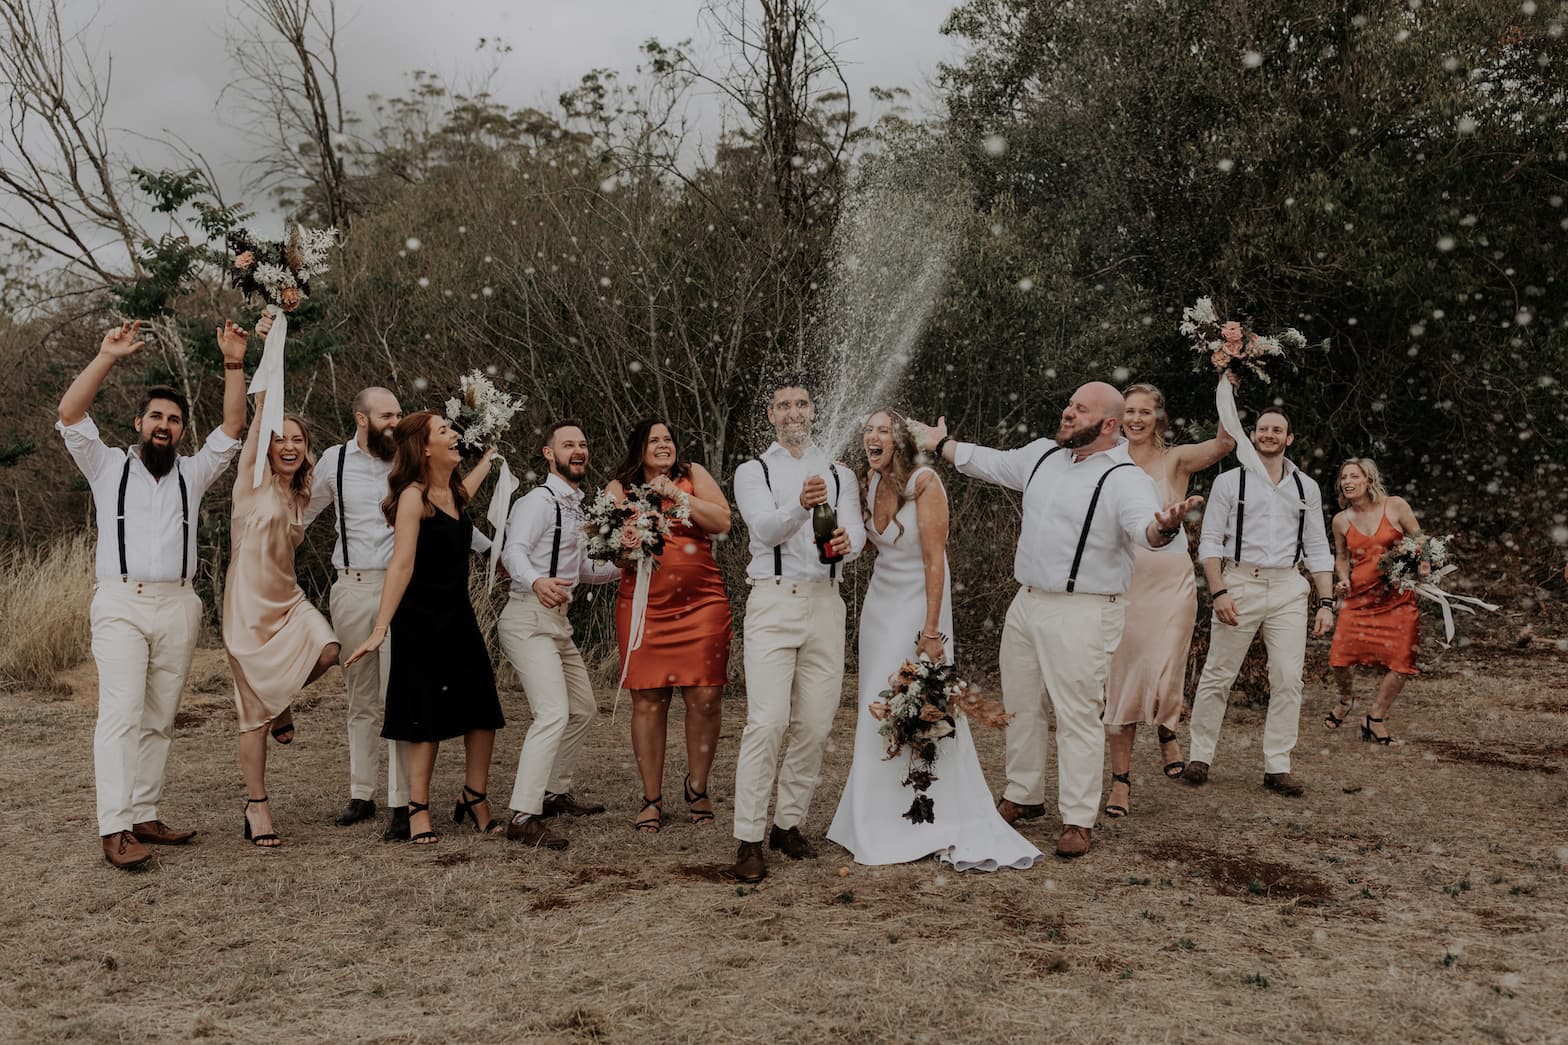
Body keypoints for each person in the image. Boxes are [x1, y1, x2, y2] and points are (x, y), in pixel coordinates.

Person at [910, 382, 1200, 859]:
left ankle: (1077, 818)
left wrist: (1165, 526)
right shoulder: (1042, 455)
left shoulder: (1125, 478)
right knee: (1020, 704)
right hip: (1026, 603)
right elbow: (989, 461)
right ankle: (1024, 795)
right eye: (1069, 405)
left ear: (1108, 425)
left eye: (1080, 410)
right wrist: (940, 444)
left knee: (1077, 715)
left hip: (1085, 610)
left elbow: (1145, 529)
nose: (1067, 413)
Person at [56, 318, 248, 869]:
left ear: (181, 431)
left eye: (174, 420)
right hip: (120, 602)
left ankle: (143, 813)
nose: (164, 426)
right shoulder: (106, 465)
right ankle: (113, 828)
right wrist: (106, 356)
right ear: (139, 423)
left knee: (160, 715)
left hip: (179, 604)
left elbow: (233, 426)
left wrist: (233, 360)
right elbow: (70, 415)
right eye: (156, 417)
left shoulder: (193, 473)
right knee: (120, 712)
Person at [826, 409, 1041, 870]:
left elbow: (934, 563)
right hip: (879, 609)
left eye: (882, 430)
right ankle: (872, 814)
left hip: (918, 608)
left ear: (901, 440)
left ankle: (924, 811)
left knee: (919, 706)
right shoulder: (868, 483)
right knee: (876, 702)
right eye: (868, 431)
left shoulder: (924, 483)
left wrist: (930, 631)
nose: (872, 437)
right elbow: (863, 542)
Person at [726, 377, 865, 882]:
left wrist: (848, 540)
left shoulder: (839, 472)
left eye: (802, 403)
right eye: (783, 404)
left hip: (827, 605)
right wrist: (800, 507)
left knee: (815, 724)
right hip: (773, 601)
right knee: (766, 723)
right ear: (771, 416)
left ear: (814, 412)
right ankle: (747, 838)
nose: (793, 412)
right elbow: (764, 528)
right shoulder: (752, 470)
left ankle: (788, 824)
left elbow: (855, 539)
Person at [343, 412, 503, 845]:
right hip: (421, 619)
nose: (454, 435)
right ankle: (418, 808)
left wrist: (487, 459)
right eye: (444, 431)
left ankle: (474, 797)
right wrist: (380, 628)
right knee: (425, 715)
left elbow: (463, 498)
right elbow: (402, 563)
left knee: (482, 706)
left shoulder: (452, 492)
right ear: (425, 448)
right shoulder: (413, 497)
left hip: (459, 614)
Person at [1183, 407, 1335, 796]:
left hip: (1287, 587)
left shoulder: (1307, 488)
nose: (1269, 434)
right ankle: (1199, 757)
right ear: (1252, 435)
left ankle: (1277, 765)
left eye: (1277, 430)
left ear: (1289, 439)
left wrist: (1326, 601)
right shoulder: (1231, 483)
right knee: (1219, 673)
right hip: (1239, 583)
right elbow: (1211, 541)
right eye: (1263, 428)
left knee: (1287, 677)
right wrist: (1218, 591)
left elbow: (1317, 547)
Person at [1101, 384, 1235, 818]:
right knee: (1121, 682)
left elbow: (1226, 443)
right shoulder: (1106, 460)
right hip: (1123, 583)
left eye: (1144, 412)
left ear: (1159, 416)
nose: (1135, 419)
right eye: (1129, 411)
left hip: (1172, 583)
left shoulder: (1174, 460)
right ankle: (1120, 782)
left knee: (1164, 671)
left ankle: (1164, 727)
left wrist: (1225, 385)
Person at [223, 387, 340, 848]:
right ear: (267, 448)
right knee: (252, 714)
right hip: (247, 610)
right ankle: (257, 806)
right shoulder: (250, 483)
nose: (289, 446)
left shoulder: (301, 491)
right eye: (280, 439)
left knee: (329, 650)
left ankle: (281, 702)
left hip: (287, 600)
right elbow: (254, 429)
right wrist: (264, 394)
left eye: (297, 439)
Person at [494, 420, 619, 850]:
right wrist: (535, 582)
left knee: (582, 709)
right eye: (568, 445)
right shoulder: (539, 500)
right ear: (549, 454)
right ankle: (523, 816)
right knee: (552, 713)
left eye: (583, 444)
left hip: (558, 622)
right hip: (528, 617)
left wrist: (630, 562)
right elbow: (514, 551)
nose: (578, 450)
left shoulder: (577, 506)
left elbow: (584, 569)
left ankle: (552, 792)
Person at [604, 418, 733, 833]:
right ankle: (651, 798)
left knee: (706, 696)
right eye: (653, 440)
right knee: (648, 700)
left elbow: (722, 521)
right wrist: (624, 545)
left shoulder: (693, 475)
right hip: (644, 606)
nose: (663, 445)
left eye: (668, 439)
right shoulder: (618, 489)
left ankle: (697, 787)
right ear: (638, 449)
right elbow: (604, 546)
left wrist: (676, 496)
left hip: (702, 603)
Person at [302, 387, 414, 839]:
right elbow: (301, 515)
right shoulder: (335, 460)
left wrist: (490, 550)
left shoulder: (408, 460)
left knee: (400, 697)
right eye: (387, 415)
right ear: (361, 418)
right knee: (360, 698)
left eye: (399, 414)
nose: (396, 422)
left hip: (400, 588)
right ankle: (361, 793)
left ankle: (401, 801)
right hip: (350, 588)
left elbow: (444, 510)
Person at [1325, 458, 1423, 744]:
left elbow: (1419, 539)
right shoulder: (1341, 520)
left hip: (1397, 599)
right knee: (1339, 660)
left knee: (1402, 661)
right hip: (1359, 599)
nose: (1347, 482)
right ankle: (1345, 699)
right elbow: (1342, 557)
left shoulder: (1395, 506)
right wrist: (1342, 578)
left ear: (1369, 480)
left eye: (1354, 476)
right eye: (1344, 477)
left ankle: (1375, 717)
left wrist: (1422, 562)